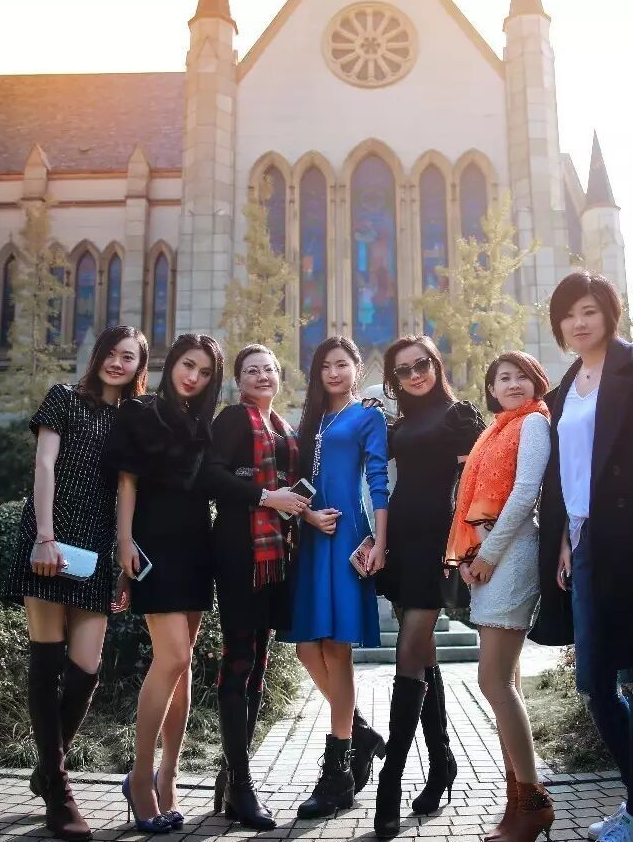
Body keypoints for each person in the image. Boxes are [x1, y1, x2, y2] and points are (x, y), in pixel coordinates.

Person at [528, 272, 633, 842]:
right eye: (568, 314)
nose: (578, 323)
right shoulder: (565, 388)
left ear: (608, 314)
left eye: (589, 311)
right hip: (584, 544)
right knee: (595, 683)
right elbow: (563, 474)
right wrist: (562, 537)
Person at [2, 325, 148, 842]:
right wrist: (45, 536)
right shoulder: (63, 399)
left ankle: (48, 767)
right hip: (50, 541)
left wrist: (124, 561)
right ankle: (60, 791)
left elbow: (129, 491)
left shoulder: (132, 419)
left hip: (96, 551)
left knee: (86, 669)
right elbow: (44, 464)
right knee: (45, 665)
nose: (117, 363)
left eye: (128, 357)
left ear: (139, 367)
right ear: (98, 355)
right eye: (112, 353)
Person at [103, 333, 224, 834]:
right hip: (153, 544)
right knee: (171, 657)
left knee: (184, 665)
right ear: (172, 362)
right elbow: (126, 481)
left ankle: (168, 777)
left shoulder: (201, 422)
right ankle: (138, 778)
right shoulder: (140, 412)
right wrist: (124, 541)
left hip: (196, 544)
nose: (193, 377)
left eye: (204, 372)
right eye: (187, 365)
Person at [373, 335, 485, 839]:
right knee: (421, 653)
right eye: (404, 369)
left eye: (422, 364)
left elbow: (475, 485)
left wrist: (465, 546)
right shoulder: (398, 425)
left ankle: (391, 779)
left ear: (436, 365)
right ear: (393, 379)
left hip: (439, 542)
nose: (415, 374)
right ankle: (441, 764)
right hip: (402, 537)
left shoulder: (458, 416)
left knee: (409, 648)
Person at [201, 344, 312, 831]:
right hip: (239, 551)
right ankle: (241, 786)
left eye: (269, 369)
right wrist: (267, 495)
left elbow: (294, 489)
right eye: (252, 370)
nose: (263, 376)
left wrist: (302, 508)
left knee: (260, 662)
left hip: (277, 554)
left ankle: (232, 776)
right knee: (239, 657)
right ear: (239, 380)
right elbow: (210, 476)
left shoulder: (284, 429)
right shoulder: (231, 420)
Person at [281, 335, 389, 819]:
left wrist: (380, 541)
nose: (333, 372)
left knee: (337, 649)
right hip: (312, 539)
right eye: (325, 365)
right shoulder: (311, 421)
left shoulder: (367, 416)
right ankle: (360, 732)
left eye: (342, 364)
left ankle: (338, 773)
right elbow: (297, 485)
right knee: (307, 648)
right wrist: (306, 516)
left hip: (348, 537)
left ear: (356, 368)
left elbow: (378, 481)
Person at [448, 352, 555, 842]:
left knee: (492, 681)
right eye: (503, 378)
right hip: (490, 555)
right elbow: (473, 503)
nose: (513, 384)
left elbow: (525, 493)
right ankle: (516, 804)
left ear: (537, 382)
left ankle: (533, 801)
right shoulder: (494, 431)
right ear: (491, 389)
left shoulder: (533, 424)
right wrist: (471, 555)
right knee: (505, 681)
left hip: (511, 555)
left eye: (521, 377)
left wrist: (487, 554)